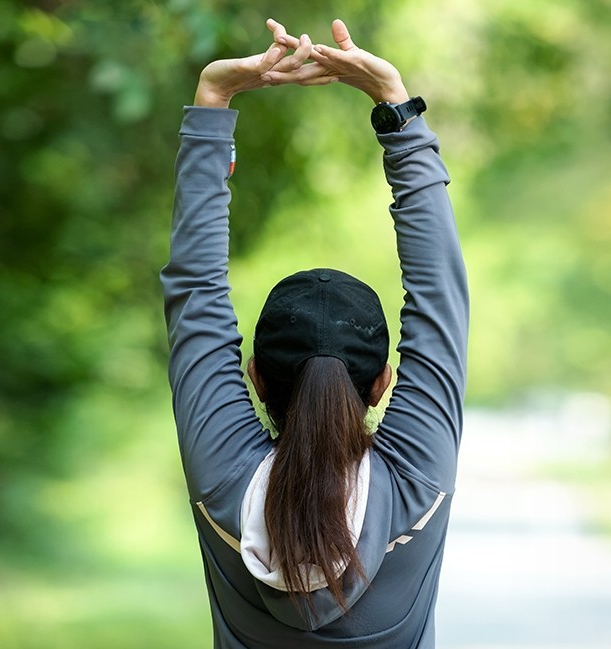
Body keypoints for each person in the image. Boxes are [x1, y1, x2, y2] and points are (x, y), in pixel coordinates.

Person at [161, 17, 469, 648]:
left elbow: (195, 292)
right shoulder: (414, 480)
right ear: (383, 383)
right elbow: (441, 299)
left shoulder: (225, 477)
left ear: (255, 378)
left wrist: (213, 100)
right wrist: (396, 112)